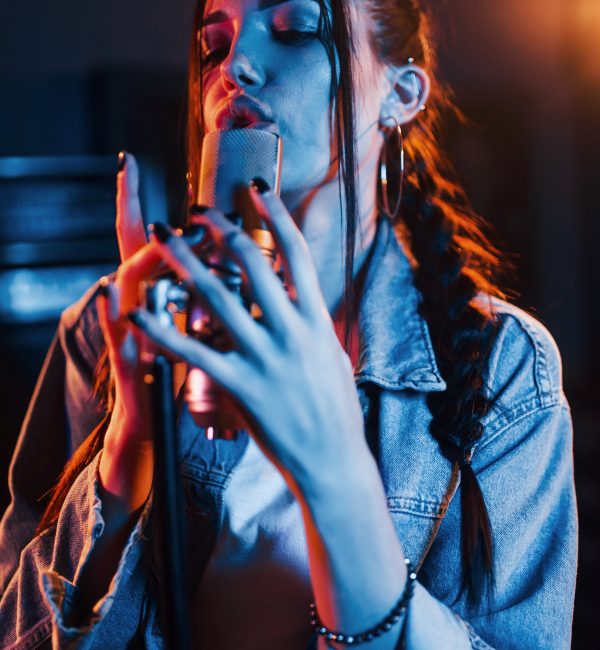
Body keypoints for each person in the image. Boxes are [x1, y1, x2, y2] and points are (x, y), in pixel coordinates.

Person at [0, 0, 577, 648]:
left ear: (401, 91)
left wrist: (335, 478)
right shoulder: (108, 331)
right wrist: (129, 439)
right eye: (214, 46)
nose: (236, 67)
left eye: (298, 30)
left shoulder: (503, 367)